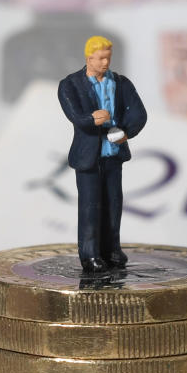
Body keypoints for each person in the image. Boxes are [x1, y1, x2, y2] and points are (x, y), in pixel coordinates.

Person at [57, 35, 147, 274]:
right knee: (90, 207)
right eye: (100, 58)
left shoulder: (121, 83)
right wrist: (91, 119)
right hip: (88, 157)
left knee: (113, 204)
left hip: (113, 154)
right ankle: (90, 254)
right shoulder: (70, 85)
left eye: (108, 58)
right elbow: (75, 115)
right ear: (89, 58)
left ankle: (112, 249)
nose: (105, 63)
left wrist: (124, 133)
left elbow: (139, 113)